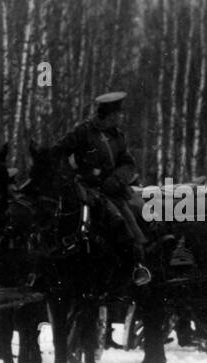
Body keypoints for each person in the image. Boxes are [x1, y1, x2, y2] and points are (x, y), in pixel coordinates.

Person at [51, 91, 151, 286]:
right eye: (118, 114)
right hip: (87, 191)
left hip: (113, 190)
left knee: (136, 218)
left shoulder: (118, 137)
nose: (121, 118)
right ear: (109, 114)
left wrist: (116, 179)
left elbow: (128, 164)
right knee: (118, 220)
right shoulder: (83, 132)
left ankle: (136, 264)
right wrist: (73, 177)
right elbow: (57, 152)